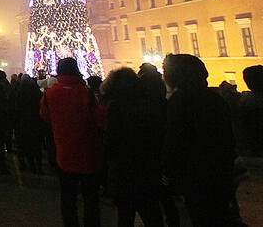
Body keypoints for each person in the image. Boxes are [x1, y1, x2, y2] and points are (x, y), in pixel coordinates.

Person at [162, 53, 238, 226]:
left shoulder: (179, 102)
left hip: (194, 176)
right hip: (220, 171)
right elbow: (228, 137)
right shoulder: (215, 98)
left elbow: (175, 141)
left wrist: (168, 172)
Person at [40, 57, 104, 227]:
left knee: (68, 198)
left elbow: (45, 116)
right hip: (89, 154)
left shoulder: (50, 93)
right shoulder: (86, 93)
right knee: (91, 199)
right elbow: (100, 120)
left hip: (64, 154)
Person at [101, 67, 164, 227]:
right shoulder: (148, 104)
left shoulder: (114, 107)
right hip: (147, 169)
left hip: (123, 171)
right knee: (153, 215)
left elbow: (111, 141)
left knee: (125, 216)